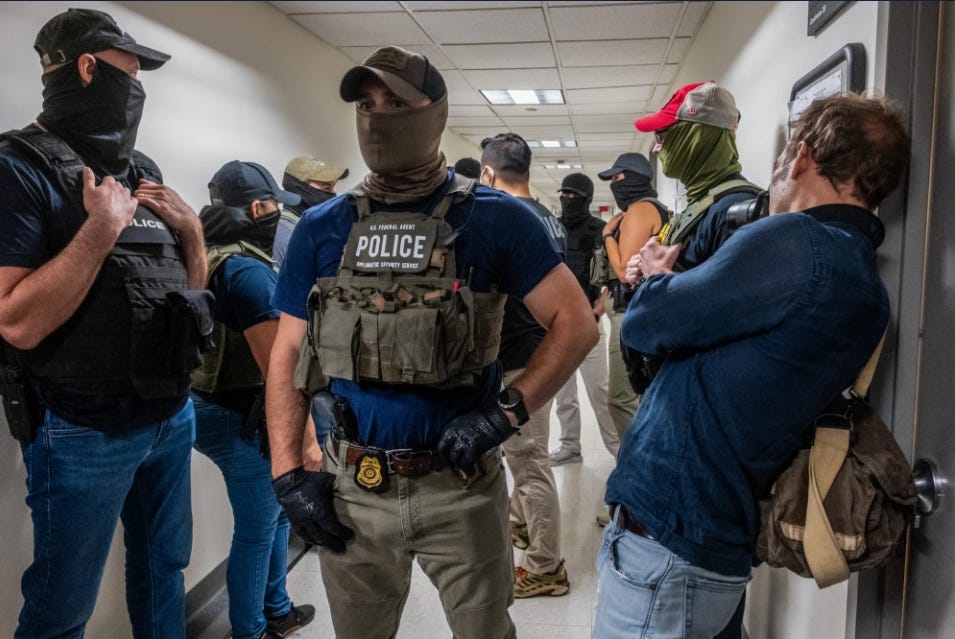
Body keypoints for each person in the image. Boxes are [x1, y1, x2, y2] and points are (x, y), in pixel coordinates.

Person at [266, 46, 596, 639]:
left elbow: (577, 324)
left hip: (459, 488)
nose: (377, 117)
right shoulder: (323, 226)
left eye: (396, 103)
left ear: (435, 113)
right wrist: (288, 473)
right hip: (354, 488)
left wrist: (504, 414)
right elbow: (287, 352)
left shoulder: (495, 219)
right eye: (366, 104)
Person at [594, 93, 910, 639]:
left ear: (802, 156)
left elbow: (645, 323)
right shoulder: (864, 284)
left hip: (668, 534)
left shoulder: (794, 241)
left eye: (785, 154)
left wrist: (656, 278)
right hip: (718, 534)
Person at [0, 9, 209, 638]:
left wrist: (194, 235)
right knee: (63, 607)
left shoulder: (142, 170)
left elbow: (188, 298)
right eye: (131, 71)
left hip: (170, 415)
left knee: (164, 571)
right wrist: (101, 227)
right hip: (82, 430)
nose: (137, 87)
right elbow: (16, 323)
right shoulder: (18, 167)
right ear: (87, 67)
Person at [627, 80, 762, 637]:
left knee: (697, 588)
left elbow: (721, 319)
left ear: (700, 136)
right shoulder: (700, 204)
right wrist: (645, 274)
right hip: (676, 406)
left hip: (703, 429)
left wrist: (657, 285)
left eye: (668, 135)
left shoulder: (736, 211)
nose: (659, 148)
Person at [191, 161, 315, 639]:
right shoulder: (246, 271)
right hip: (236, 413)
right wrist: (306, 440)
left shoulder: (210, 253)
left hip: (210, 404)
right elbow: (279, 372)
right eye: (272, 207)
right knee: (258, 529)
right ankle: (250, 630)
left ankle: (277, 609)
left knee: (276, 514)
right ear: (258, 208)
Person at [479, 132, 569, 598]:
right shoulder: (549, 218)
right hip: (541, 351)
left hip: (519, 358)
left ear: (488, 173)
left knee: (530, 462)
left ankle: (545, 566)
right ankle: (521, 523)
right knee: (527, 454)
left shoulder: (505, 217)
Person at [596, 152, 669, 449]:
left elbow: (624, 271)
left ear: (638, 178)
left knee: (620, 399)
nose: (614, 184)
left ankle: (633, 462)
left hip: (630, 310)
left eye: (618, 177)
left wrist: (607, 235)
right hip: (645, 309)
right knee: (642, 393)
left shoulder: (640, 210)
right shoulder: (655, 208)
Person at [549, 172, 617, 466]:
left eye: (573, 195)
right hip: (555, 325)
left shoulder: (600, 230)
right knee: (563, 395)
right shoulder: (551, 228)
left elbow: (613, 278)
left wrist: (599, 308)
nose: (567, 199)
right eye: (563, 194)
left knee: (600, 392)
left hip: (589, 323)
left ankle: (619, 451)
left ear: (586, 199)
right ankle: (570, 447)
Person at [274, 155, 348, 265]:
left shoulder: (314, 231)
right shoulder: (284, 235)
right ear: (300, 189)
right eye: (326, 188)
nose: (334, 195)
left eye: (333, 188)